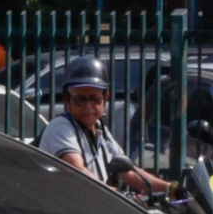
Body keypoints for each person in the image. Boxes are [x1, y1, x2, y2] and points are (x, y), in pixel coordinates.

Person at [40, 56, 168, 195]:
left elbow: (129, 173)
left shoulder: (101, 131)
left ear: (106, 98)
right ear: (67, 99)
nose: (89, 105)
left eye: (95, 99)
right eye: (80, 99)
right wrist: (111, 196)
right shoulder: (61, 127)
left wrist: (170, 188)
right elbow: (76, 168)